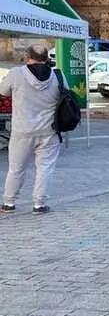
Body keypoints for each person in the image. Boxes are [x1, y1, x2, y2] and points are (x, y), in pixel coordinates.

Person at [0, 44, 61, 215]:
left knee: (16, 168)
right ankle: (39, 205)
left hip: (22, 130)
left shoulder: (16, 73)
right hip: (49, 130)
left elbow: (3, 92)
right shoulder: (58, 75)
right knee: (45, 168)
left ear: (27, 57)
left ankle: (9, 203)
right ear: (46, 58)